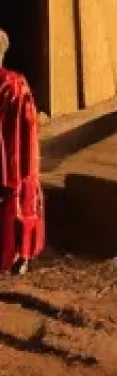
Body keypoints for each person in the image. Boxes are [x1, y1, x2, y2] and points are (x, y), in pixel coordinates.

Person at [0, 30, 45, 275]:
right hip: (12, 155)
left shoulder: (12, 84)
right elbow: (27, 126)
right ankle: (18, 254)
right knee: (19, 198)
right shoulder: (15, 84)